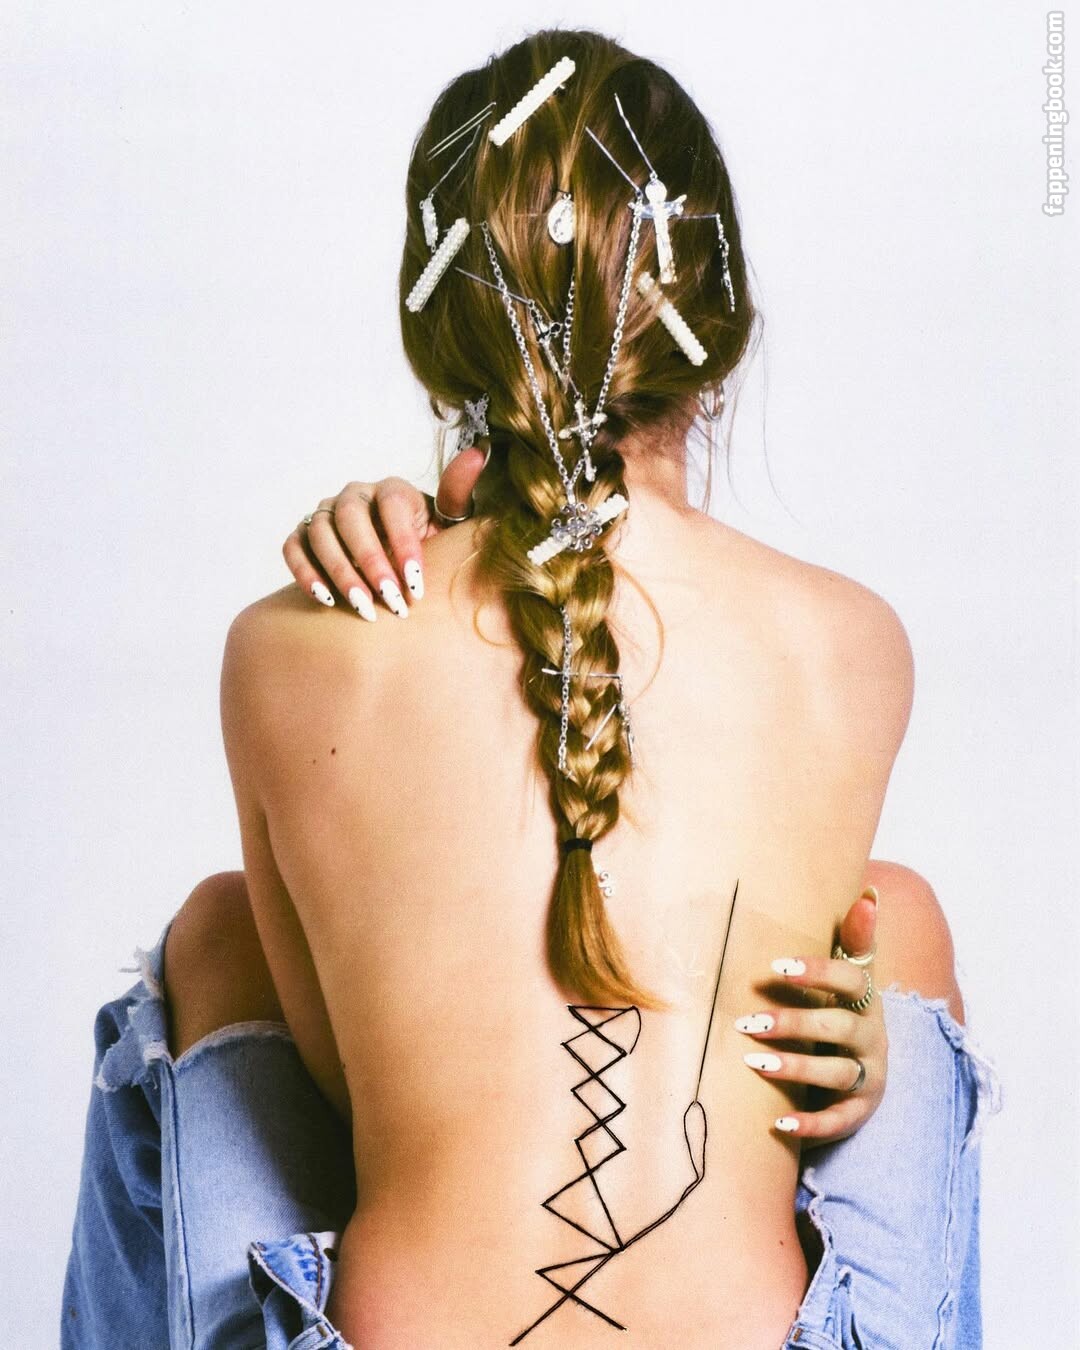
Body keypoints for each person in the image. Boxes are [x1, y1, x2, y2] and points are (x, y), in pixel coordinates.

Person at [62, 27, 1000, 1350]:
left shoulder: (283, 647)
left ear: (438, 339)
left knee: (217, 936)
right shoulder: (855, 643)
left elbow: (344, 1097)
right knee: (899, 923)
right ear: (719, 335)